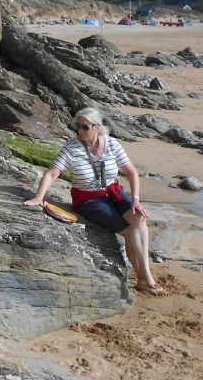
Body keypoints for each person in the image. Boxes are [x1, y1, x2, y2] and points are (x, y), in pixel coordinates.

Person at [23, 107, 167, 296]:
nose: (80, 131)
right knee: (130, 231)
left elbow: (131, 172)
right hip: (88, 200)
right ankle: (146, 279)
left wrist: (136, 200)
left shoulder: (112, 144)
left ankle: (143, 279)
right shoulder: (72, 148)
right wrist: (39, 197)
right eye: (77, 126)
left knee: (138, 218)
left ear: (97, 127)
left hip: (113, 192)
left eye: (85, 126)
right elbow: (52, 173)